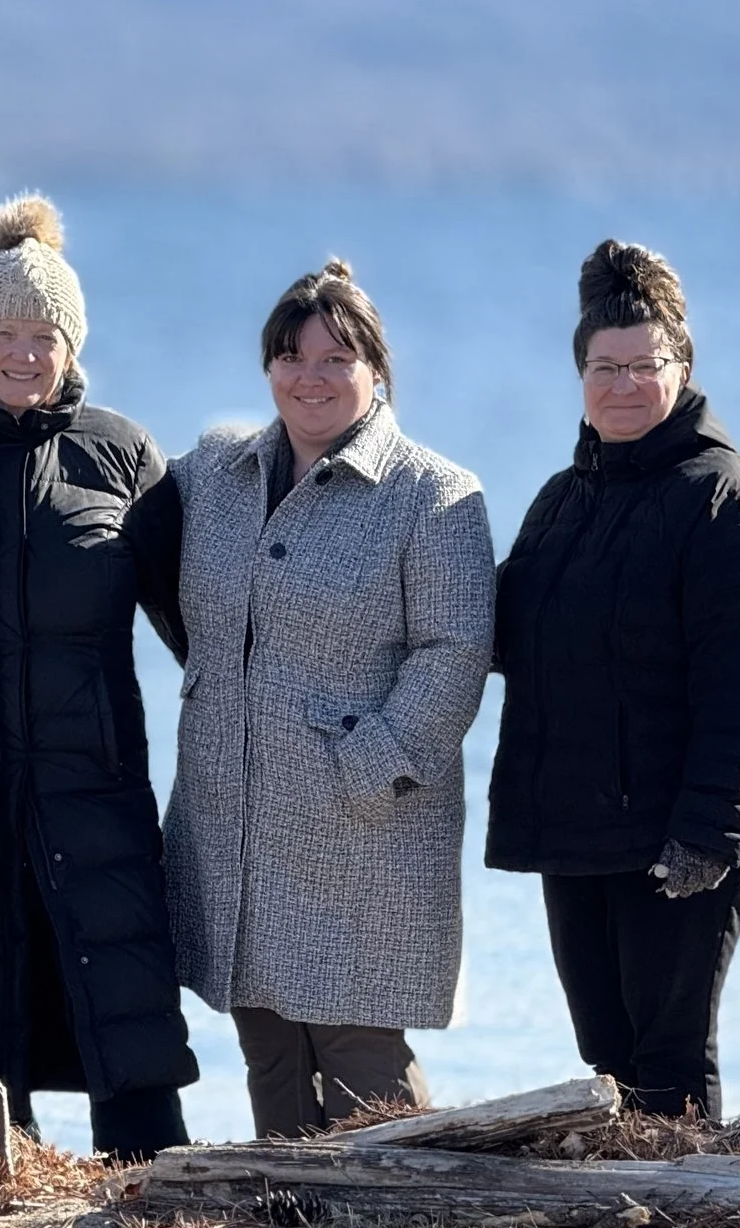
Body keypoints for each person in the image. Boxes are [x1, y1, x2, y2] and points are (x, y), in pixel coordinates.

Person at [0, 196, 196, 1159]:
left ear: (72, 343)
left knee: (124, 1019)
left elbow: (200, 625)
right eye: (5, 333)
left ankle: (158, 1200)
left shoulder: (122, 452)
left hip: (95, 789)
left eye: (45, 334)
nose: (25, 353)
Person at [166, 260, 494, 1138]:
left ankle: (396, 1209)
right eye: (291, 355)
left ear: (376, 370)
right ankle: (286, 1209)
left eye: (335, 358)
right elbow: (125, 515)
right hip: (233, 808)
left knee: (358, 1049)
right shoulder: (215, 470)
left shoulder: (434, 495)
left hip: (362, 826)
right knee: (267, 1036)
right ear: (268, 366)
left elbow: (455, 651)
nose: (310, 376)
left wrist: (368, 765)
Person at [488, 241, 740, 1120]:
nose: (623, 385)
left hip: (684, 830)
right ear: (579, 372)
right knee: (606, 1059)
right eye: (603, 366)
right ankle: (630, 1221)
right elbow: (509, 636)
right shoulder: (563, 498)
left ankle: (689, 1225)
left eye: (644, 365)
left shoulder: (723, 497)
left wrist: (706, 839)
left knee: (668, 1062)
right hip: (581, 826)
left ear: (682, 365)